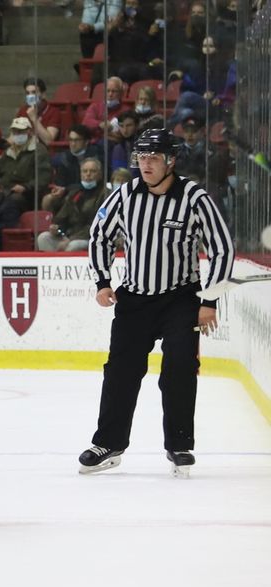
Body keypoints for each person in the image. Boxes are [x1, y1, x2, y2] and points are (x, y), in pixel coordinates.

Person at [78, 129, 233, 478]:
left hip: (181, 299)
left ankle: (179, 445)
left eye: (153, 158)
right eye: (141, 158)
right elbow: (99, 235)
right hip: (134, 301)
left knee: (179, 368)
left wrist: (210, 299)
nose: (145, 165)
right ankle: (109, 444)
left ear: (170, 161)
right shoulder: (124, 195)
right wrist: (102, 280)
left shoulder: (194, 197)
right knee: (120, 371)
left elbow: (222, 248)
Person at [37, 157, 106, 252]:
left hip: (91, 238)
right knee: (43, 237)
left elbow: (97, 225)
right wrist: (57, 228)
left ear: (100, 175)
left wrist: (71, 239)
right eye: (85, 171)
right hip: (69, 236)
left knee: (73, 246)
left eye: (92, 171)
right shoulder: (74, 193)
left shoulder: (105, 195)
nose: (88, 174)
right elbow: (62, 217)